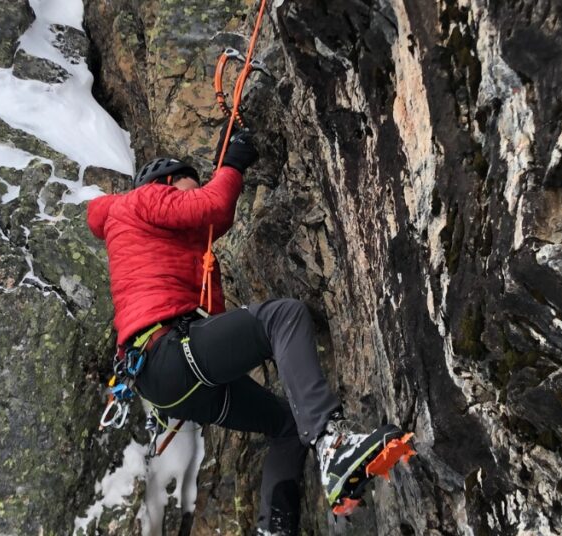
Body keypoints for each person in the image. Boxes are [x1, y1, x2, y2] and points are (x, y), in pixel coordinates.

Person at [86, 127, 407, 534]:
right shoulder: (144, 197)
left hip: (165, 380)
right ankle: (333, 443)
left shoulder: (142, 228)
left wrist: (227, 170)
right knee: (283, 317)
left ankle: (273, 529)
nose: (193, 191)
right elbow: (213, 207)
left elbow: (209, 222)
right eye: (188, 185)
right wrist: (233, 161)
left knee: (287, 427)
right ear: (166, 183)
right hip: (170, 350)